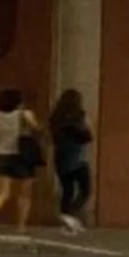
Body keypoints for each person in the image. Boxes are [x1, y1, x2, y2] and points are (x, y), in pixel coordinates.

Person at [0, 87, 43, 231]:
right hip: (22, 155)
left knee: (2, 191)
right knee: (24, 193)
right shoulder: (25, 114)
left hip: (2, 154)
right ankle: (21, 225)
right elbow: (37, 129)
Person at [49, 89, 94, 232]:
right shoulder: (79, 116)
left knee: (67, 189)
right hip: (77, 155)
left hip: (60, 155)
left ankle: (66, 218)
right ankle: (71, 214)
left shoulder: (55, 117)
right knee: (86, 189)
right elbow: (87, 135)